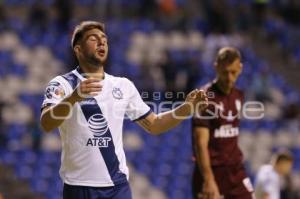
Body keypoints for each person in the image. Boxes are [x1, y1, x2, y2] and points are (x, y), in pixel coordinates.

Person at [40, 21, 207, 199]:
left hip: (117, 187)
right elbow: (46, 123)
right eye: (93, 39)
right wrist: (74, 98)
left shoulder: (123, 85)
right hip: (79, 187)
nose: (101, 42)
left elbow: (154, 125)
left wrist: (186, 108)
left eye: (104, 39)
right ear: (78, 49)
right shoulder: (62, 84)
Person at [192, 47, 254, 199]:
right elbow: (200, 143)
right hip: (212, 172)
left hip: (235, 170)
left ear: (240, 68)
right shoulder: (205, 98)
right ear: (216, 67)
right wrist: (209, 179)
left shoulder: (239, 95)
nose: (229, 78)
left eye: (233, 72)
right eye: (225, 72)